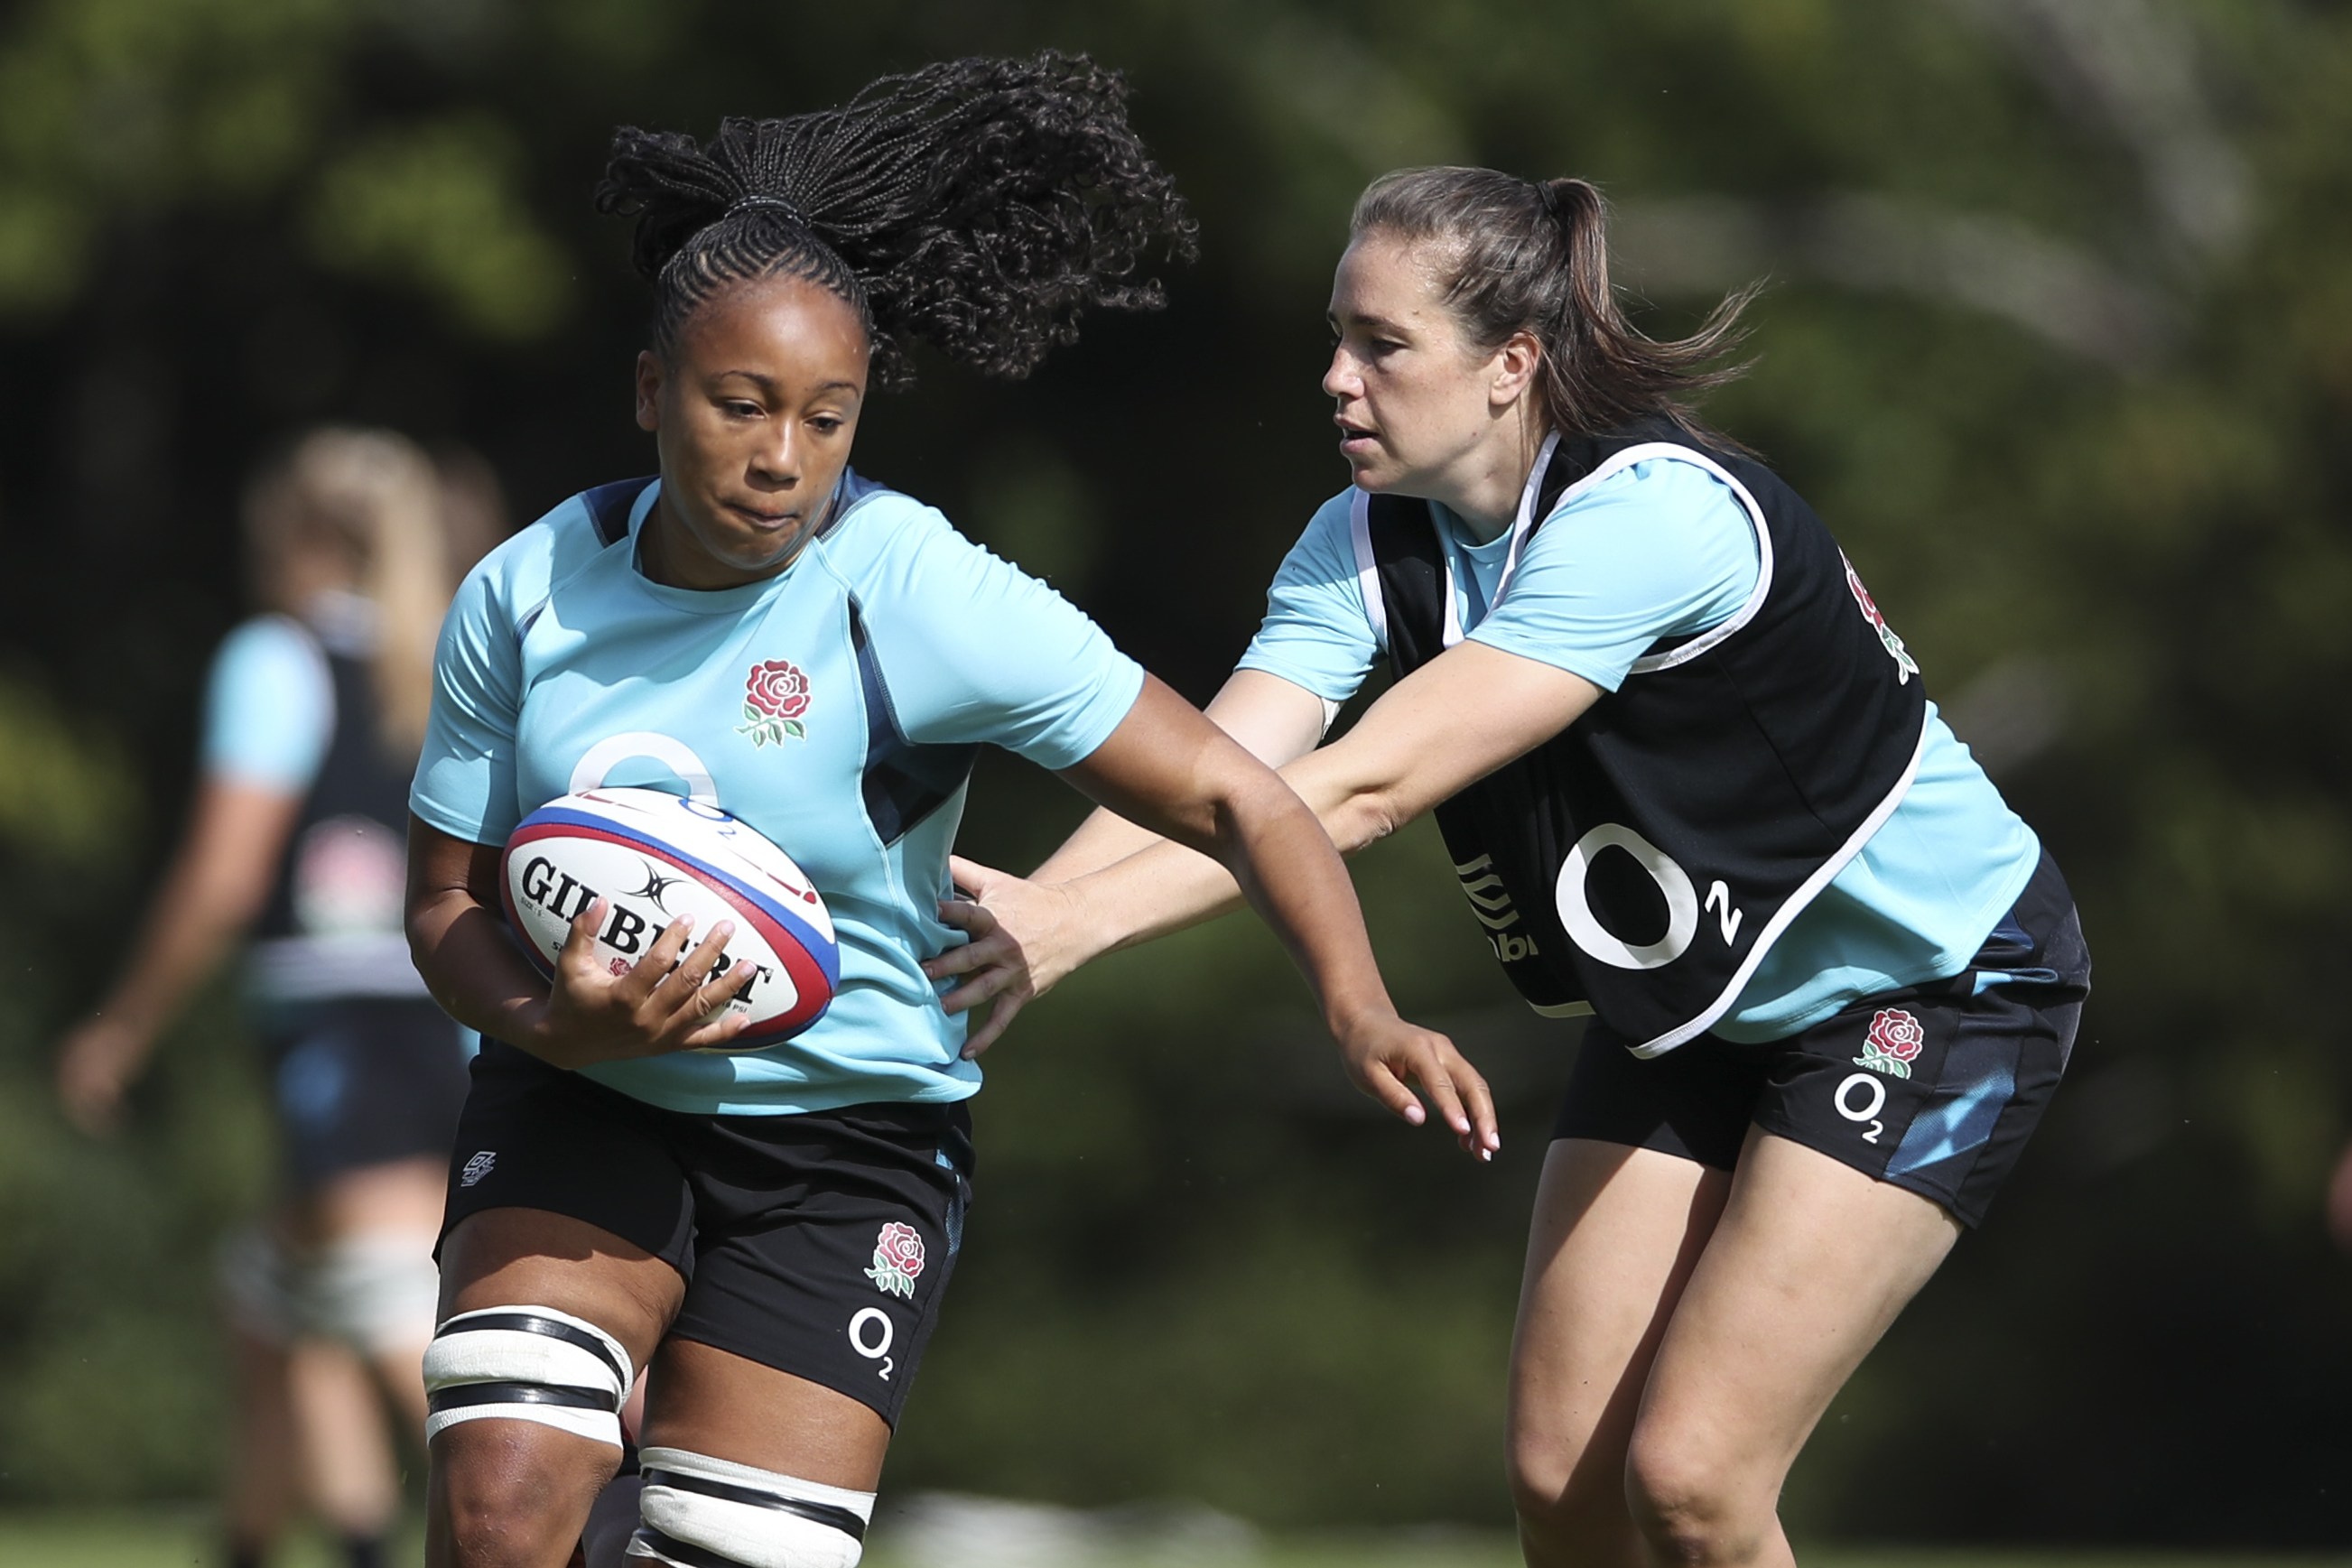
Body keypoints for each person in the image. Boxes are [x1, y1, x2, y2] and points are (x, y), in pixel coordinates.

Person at [401, 56, 1494, 1568]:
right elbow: (440, 903)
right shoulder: (524, 592)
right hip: (578, 1095)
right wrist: (551, 1020)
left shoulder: (924, 594)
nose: (782, 459)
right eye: (739, 406)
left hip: (848, 1139)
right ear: (653, 392)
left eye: (827, 418)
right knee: (502, 1500)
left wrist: (1360, 1005)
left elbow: (1234, 792)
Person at [933, 166, 2093, 1568]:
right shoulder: (1363, 539)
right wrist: (1039, 905)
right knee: (1563, 1482)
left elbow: (1358, 790)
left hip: (1937, 985)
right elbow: (1216, 772)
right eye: (1336, 337)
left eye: (1382, 344)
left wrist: (1077, 929)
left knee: (1693, 1481)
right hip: (1702, 1008)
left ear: (1511, 365)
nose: (1336, 379)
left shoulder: (1651, 519)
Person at [55, 428, 488, 1568]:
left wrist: (121, 1025)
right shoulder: (449, 660)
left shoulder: (277, 659)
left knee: (411, 1336)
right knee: (269, 1298)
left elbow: (226, 873)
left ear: (295, 537)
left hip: (337, 1031)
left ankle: (596, 1512)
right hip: (446, 1019)